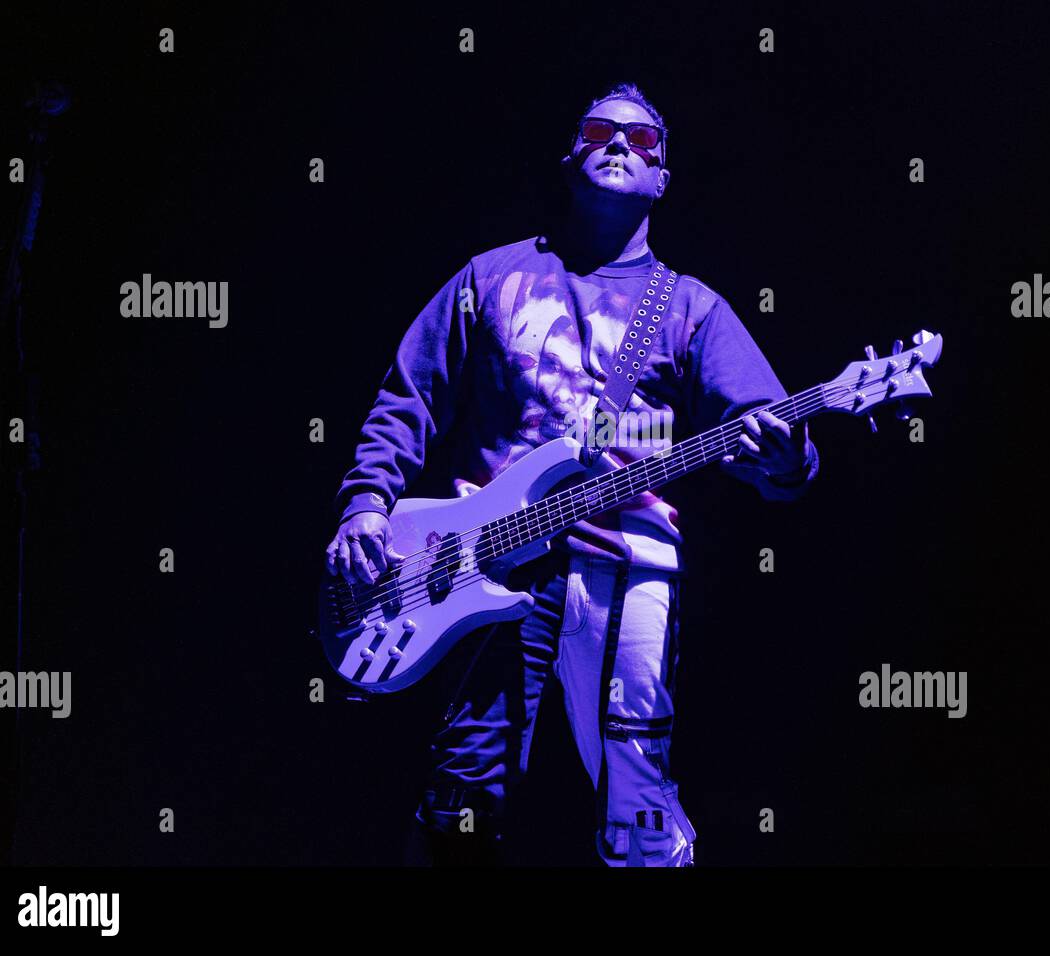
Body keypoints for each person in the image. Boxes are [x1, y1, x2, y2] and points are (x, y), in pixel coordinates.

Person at [326, 83, 819, 866]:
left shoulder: (689, 307)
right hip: (478, 564)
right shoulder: (489, 278)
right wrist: (365, 506)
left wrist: (784, 455)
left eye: (644, 140)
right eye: (600, 130)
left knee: (636, 794)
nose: (621, 143)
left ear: (663, 178)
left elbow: (776, 443)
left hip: (626, 566)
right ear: (570, 157)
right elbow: (409, 395)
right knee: (464, 792)